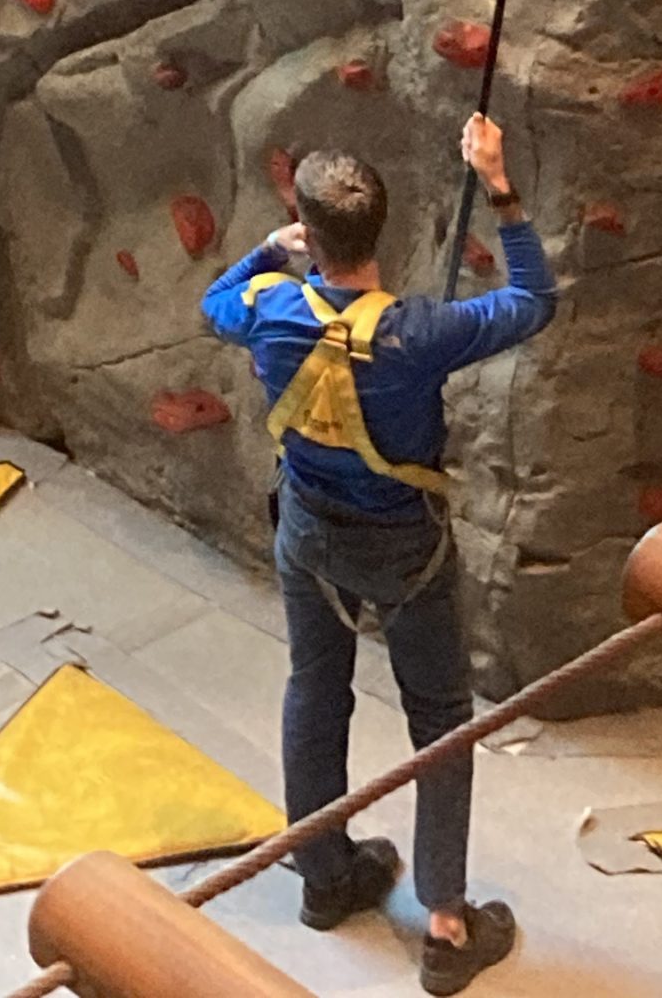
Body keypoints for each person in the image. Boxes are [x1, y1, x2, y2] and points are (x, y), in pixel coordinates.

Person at [201, 114, 556, 996]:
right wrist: (498, 186)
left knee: (314, 691)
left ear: (309, 231)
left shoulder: (272, 309)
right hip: (405, 552)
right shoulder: (420, 332)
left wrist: (266, 251)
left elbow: (216, 305)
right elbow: (531, 301)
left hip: (310, 534)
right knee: (439, 720)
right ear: (378, 231)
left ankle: (324, 874)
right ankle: (442, 923)